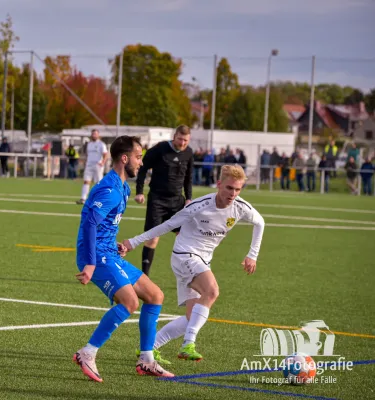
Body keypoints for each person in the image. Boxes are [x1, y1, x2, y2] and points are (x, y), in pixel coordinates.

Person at [123, 164, 265, 362]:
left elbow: (260, 223)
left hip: (201, 260)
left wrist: (253, 255)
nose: (233, 193)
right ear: (219, 184)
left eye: (237, 189)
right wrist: (134, 242)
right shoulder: (199, 205)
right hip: (185, 255)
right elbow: (168, 225)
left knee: (192, 317)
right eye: (229, 188)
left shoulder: (241, 207)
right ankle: (188, 344)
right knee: (212, 291)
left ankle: (149, 347)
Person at [73, 135, 174, 383]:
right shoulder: (110, 189)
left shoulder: (123, 187)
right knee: (130, 303)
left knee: (155, 296)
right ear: (125, 158)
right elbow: (89, 224)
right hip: (97, 257)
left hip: (108, 252)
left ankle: (147, 360)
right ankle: (87, 352)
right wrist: (89, 262)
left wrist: (116, 244)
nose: (142, 163)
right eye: (139, 157)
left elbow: (104, 225)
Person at [134, 125, 193, 276]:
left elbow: (188, 178)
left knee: (185, 237)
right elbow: (143, 167)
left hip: (177, 201)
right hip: (157, 200)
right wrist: (139, 192)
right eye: (180, 139)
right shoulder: (160, 148)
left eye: (185, 140)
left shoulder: (188, 153)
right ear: (174, 136)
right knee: (153, 238)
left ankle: (187, 274)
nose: (182, 143)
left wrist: (189, 198)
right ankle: (144, 276)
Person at [76, 129, 108, 204]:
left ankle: (100, 199)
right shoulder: (89, 144)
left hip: (98, 165)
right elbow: (88, 154)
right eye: (93, 134)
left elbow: (105, 154)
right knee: (86, 181)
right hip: (89, 165)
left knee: (98, 182)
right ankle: (83, 198)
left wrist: (103, 162)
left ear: (98, 135)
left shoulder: (101, 144)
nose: (94, 135)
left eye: (95, 134)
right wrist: (86, 162)